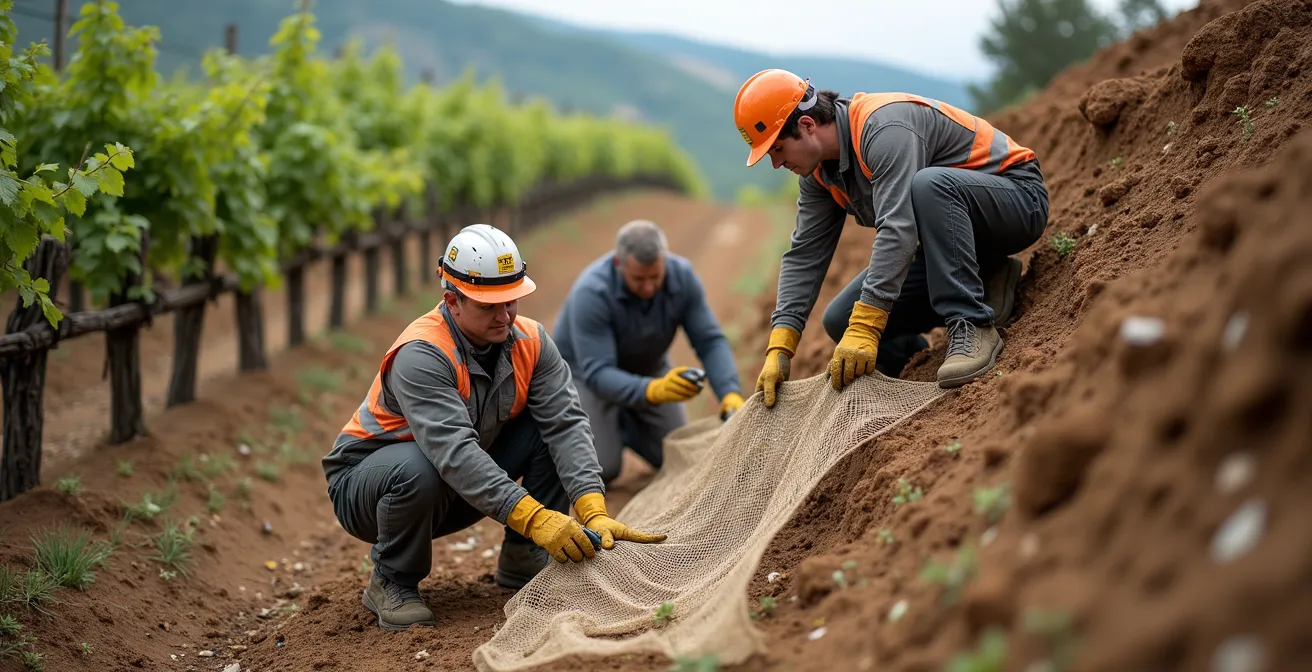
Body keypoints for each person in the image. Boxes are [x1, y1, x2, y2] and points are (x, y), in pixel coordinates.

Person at [320, 223, 666, 632]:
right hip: (371, 489)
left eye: (511, 301)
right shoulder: (422, 354)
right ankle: (392, 580)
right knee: (419, 465)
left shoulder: (531, 341)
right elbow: (454, 453)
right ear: (452, 300)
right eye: (489, 306)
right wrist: (537, 518)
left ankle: (522, 557)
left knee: (544, 430)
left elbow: (566, 424)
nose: (505, 316)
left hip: (452, 482)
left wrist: (593, 508)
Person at [732, 69, 1050, 404]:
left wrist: (867, 325)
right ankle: (979, 289)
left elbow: (898, 228)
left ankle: (971, 323)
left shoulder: (882, 128)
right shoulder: (819, 175)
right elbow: (805, 254)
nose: (776, 163)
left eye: (778, 149)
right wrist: (780, 344)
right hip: (955, 239)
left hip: (1016, 202)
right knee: (840, 320)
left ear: (808, 126)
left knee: (929, 186)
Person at [553, 219, 744, 486]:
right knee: (600, 468)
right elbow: (597, 373)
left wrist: (729, 392)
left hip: (648, 367)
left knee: (675, 455)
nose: (649, 287)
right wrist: (653, 391)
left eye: (655, 276)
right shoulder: (592, 292)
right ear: (619, 264)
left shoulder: (683, 277)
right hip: (586, 379)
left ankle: (627, 425)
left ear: (664, 260)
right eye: (639, 279)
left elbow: (709, 340)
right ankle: (592, 428)